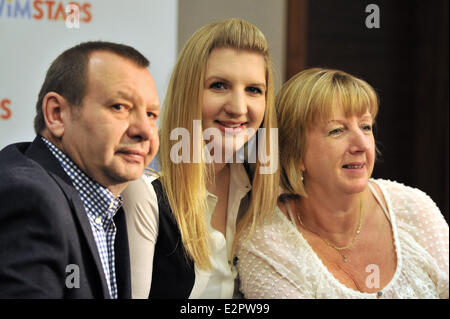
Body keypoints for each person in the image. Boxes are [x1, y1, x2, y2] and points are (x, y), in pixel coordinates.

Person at [236, 68, 449, 299]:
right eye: (337, 130)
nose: (361, 144)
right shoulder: (267, 243)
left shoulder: (414, 208)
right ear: (294, 154)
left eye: (366, 127)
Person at [121, 18, 279, 299]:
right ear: (188, 91)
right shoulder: (144, 187)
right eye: (219, 86)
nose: (238, 107)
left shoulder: (263, 187)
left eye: (254, 90)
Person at [0, 41, 160, 298]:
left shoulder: (108, 205)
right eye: (119, 107)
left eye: (152, 114)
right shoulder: (29, 198)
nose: (145, 130)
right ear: (57, 114)